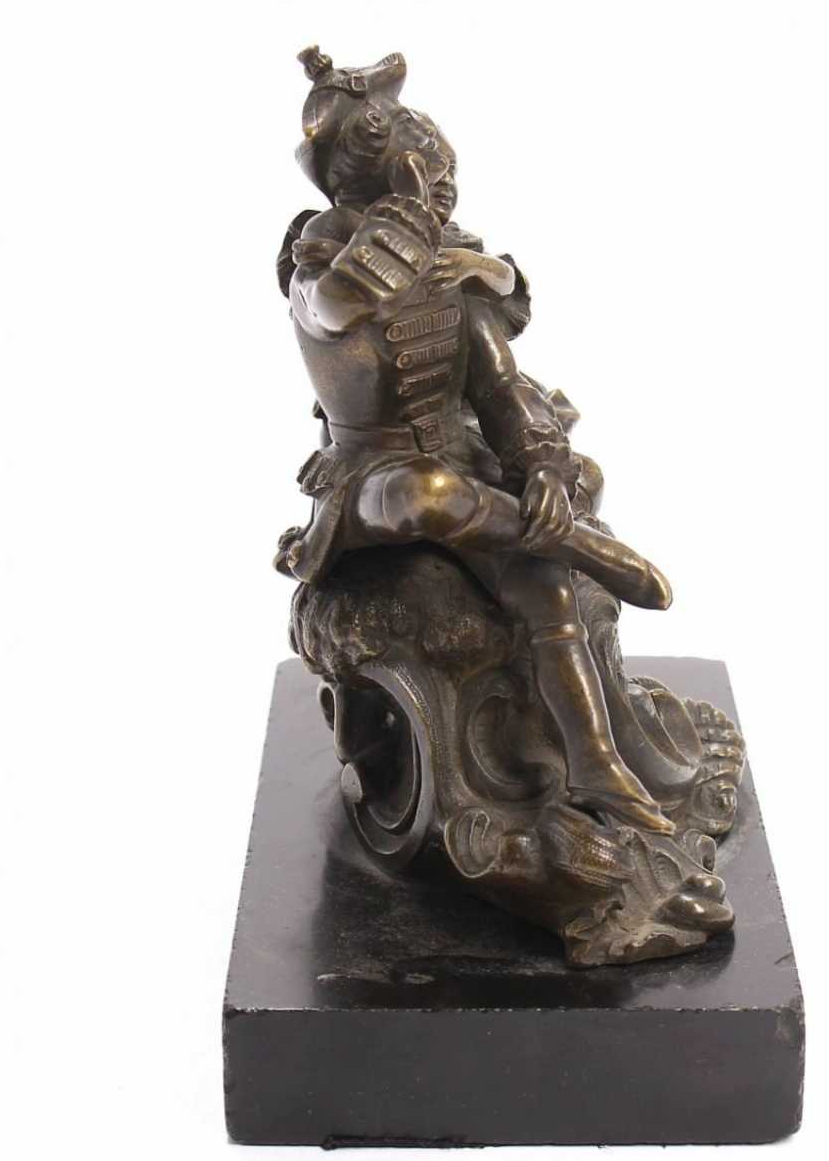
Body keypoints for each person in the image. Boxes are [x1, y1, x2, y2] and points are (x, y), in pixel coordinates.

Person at [276, 46, 675, 834]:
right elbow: (333, 305)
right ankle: (584, 544)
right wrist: (396, 237)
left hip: (460, 457)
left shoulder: (454, 261)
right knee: (425, 494)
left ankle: (595, 763)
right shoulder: (318, 257)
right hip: (371, 470)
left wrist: (541, 467)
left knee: (543, 584)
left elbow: (498, 387)